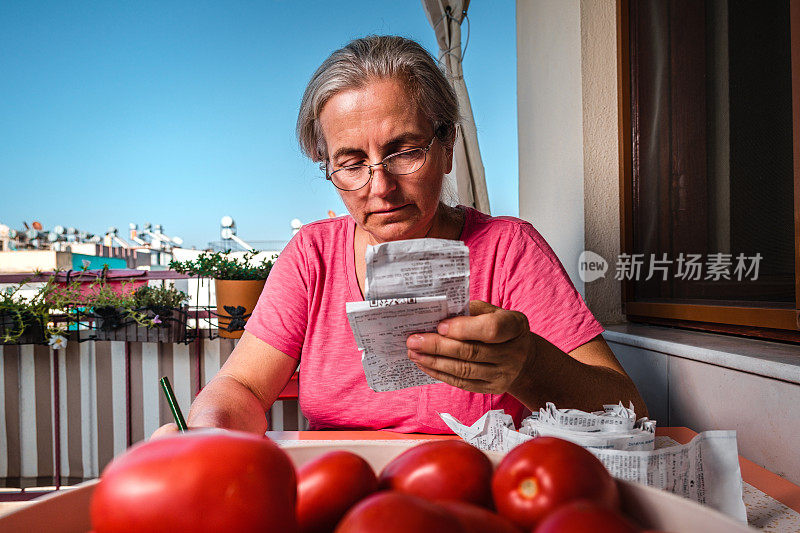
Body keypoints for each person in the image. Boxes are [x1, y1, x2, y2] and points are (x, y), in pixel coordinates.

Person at [153, 35, 645, 439]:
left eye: (405, 151)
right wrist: (210, 430)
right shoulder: (313, 254)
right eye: (350, 163)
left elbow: (628, 411)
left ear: (447, 147)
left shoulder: (508, 250)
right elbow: (241, 385)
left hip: (468, 497)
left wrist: (528, 363)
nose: (381, 188)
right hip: (342, 494)